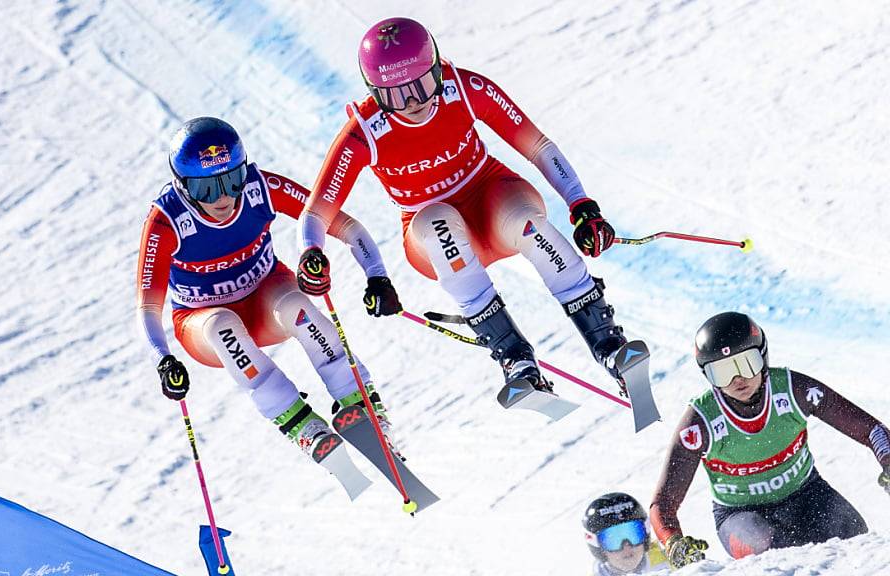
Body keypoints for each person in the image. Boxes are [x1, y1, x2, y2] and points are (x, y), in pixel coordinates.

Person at [296, 16, 632, 396]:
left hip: (493, 199)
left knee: (527, 223)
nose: (414, 103)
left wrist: (583, 205)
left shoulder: (466, 88)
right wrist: (311, 253)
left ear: (437, 68)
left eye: (423, 85)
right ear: (375, 93)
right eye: (395, 95)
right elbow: (315, 212)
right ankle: (514, 358)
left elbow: (538, 146)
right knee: (439, 223)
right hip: (431, 230)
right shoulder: (365, 131)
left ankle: (608, 344)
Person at [136, 117, 404, 461]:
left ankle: (364, 407)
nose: (223, 198)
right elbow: (147, 306)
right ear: (182, 186)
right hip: (201, 321)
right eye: (206, 190)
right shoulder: (166, 221)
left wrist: (377, 276)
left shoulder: (260, 187)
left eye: (232, 181)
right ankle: (303, 427)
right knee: (223, 327)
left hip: (267, 300)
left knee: (296, 307)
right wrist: (163, 359)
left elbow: (343, 223)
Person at [649, 312, 890, 568]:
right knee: (770, 550)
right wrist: (673, 542)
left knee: (853, 532)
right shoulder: (700, 423)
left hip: (807, 495)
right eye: (722, 371)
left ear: (763, 356)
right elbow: (662, 504)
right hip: (740, 516)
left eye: (746, 363)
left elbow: (872, 430)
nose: (737, 379)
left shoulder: (793, 389)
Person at [583, 493, 669, 575]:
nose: (626, 546)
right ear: (598, 548)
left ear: (645, 537)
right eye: (614, 540)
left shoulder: (668, 560)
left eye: (633, 535)